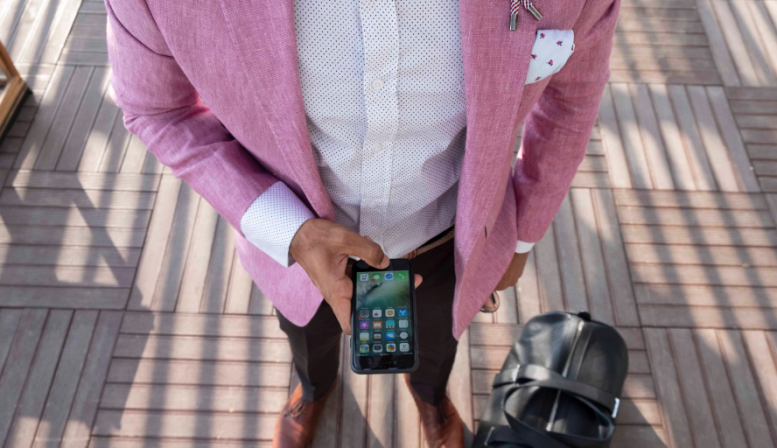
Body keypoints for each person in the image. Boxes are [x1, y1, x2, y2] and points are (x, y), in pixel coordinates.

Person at [106, 0, 620, 446]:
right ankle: (312, 390)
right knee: (307, 339)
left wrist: (522, 238)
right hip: (295, 252)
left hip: (452, 244)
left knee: (437, 344)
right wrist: (285, 229)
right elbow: (157, 110)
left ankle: (432, 398)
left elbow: (572, 97)